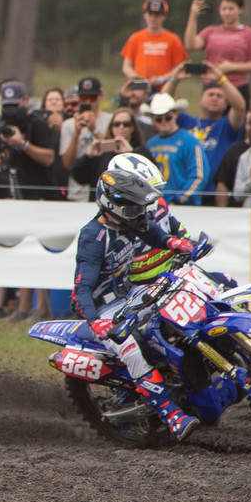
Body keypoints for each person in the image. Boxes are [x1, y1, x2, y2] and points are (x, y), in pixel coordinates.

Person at [73, 153, 209, 439]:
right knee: (131, 351)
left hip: (130, 293)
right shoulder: (93, 236)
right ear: (114, 204)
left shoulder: (129, 220)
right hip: (104, 309)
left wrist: (174, 242)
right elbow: (81, 289)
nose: (139, 212)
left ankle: (189, 379)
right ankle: (173, 416)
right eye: (133, 207)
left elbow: (153, 234)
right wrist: (97, 322)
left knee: (179, 301)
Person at [184, 0, 251, 101]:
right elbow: (191, 44)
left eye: (231, 9)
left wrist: (232, 67)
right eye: (224, 9)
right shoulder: (211, 31)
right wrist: (193, 16)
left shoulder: (248, 34)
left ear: (240, 9)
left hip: (237, 86)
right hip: (212, 87)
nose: (227, 12)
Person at [141, 92, 206, 204]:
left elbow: (199, 176)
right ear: (152, 118)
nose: (163, 122)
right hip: (156, 205)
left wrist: (179, 200)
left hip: (183, 206)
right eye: (158, 119)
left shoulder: (189, 141)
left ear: (175, 114)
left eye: (168, 117)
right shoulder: (150, 144)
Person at [120, 0, 189, 91]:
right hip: (140, 90)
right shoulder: (135, 38)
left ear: (164, 16)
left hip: (164, 88)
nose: (153, 18)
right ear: (144, 15)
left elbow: (179, 68)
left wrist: (162, 78)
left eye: (157, 15)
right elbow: (126, 66)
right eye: (150, 14)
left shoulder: (173, 39)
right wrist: (139, 79)